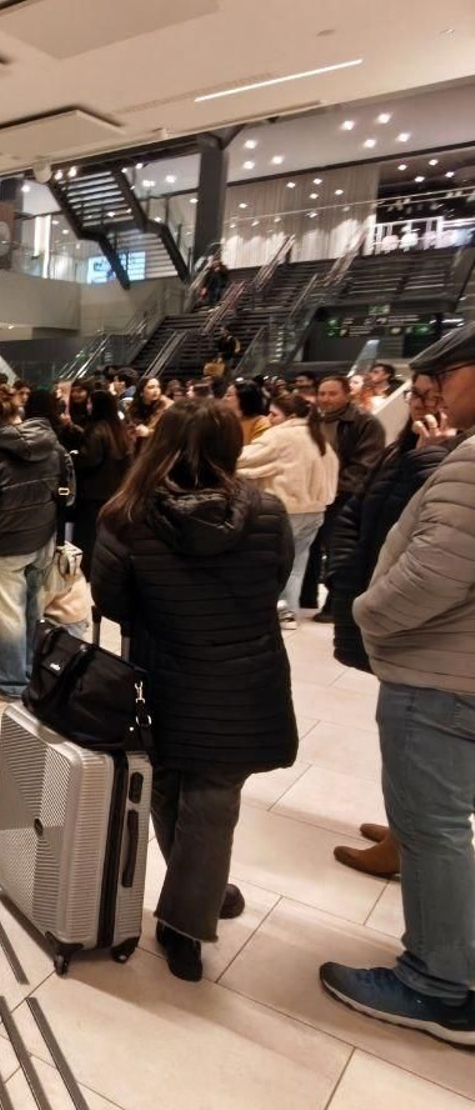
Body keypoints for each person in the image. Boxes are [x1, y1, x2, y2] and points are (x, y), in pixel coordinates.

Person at [92, 400, 295, 983]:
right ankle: (193, 912)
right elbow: (274, 580)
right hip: (245, 679)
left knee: (166, 783)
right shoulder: (266, 512)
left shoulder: (126, 515)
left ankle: (192, 903)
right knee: (214, 799)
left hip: (164, 674)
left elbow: (111, 600)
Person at [319, 325, 475, 1045]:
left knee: (435, 828)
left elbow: (434, 573)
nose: (435, 392)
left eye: (447, 375)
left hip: (440, 675)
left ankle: (438, 985)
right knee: (439, 824)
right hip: (454, 667)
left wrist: (366, 613)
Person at [327, 371, 457, 879]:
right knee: (398, 733)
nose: (422, 404)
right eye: (416, 394)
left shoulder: (450, 459)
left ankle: (406, 839)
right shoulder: (404, 449)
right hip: (378, 591)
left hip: (422, 629)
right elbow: (359, 510)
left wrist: (371, 607)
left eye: (432, 395)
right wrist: (346, 573)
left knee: (418, 743)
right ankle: (401, 827)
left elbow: (433, 546)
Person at [0, 386, 71, 699]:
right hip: (44, 539)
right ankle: (30, 672)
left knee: (9, 615)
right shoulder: (54, 446)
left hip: (6, 542)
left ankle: (10, 684)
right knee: (32, 609)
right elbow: (68, 494)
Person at [237, 393, 338, 629]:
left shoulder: (280, 436)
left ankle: (266, 612)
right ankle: (288, 612)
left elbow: (244, 460)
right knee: (296, 565)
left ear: (290, 416)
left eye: (274, 414)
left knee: (269, 563)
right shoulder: (318, 437)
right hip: (315, 511)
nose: (269, 419)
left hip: (284, 509)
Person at [302, 374, 387, 620]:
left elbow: (365, 464)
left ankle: (336, 605)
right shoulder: (313, 419)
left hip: (343, 498)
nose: (326, 399)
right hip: (315, 496)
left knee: (338, 551)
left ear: (347, 394)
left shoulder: (365, 422)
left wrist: (335, 489)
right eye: (322, 393)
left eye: (332, 393)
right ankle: (307, 597)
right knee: (309, 548)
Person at [67, 388, 131, 578]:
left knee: (88, 537)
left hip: (93, 493)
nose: (87, 406)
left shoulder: (96, 429)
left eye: (90, 403)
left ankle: (86, 572)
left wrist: (74, 457)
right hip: (114, 492)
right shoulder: (119, 428)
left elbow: (89, 459)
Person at [127, 376, 171, 444]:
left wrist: (148, 433)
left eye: (158, 387)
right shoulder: (134, 405)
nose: (156, 390)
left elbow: (169, 433)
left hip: (157, 445)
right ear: (141, 391)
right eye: (151, 387)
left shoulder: (167, 406)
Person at [231, 378, 271, 445]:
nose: (224, 399)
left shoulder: (261, 423)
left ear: (243, 399)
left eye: (228, 395)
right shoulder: (228, 419)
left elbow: (256, 449)